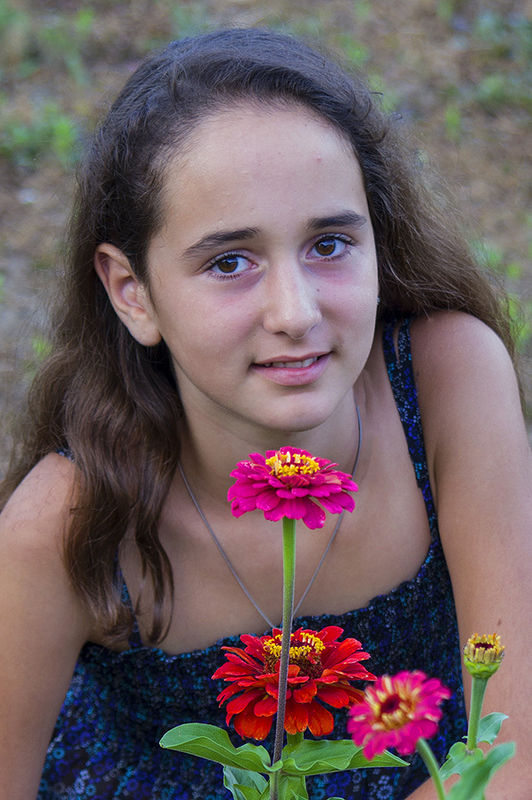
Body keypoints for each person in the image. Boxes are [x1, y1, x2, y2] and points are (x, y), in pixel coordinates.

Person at [0, 27, 530, 800]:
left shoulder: (450, 379)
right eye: (229, 262)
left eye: (329, 244)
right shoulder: (64, 527)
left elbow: (514, 751)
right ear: (132, 293)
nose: (296, 312)